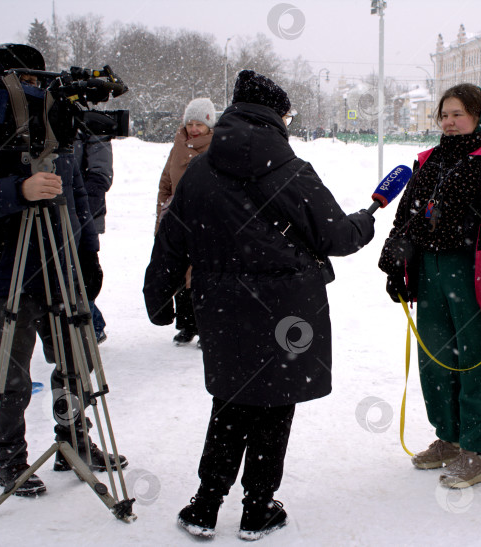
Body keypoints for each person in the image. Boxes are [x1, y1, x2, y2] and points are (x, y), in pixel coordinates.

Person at [144, 69, 375, 540]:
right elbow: (336, 237)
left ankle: (205, 505)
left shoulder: (201, 171)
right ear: (275, 116)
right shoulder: (292, 171)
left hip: (222, 309)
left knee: (230, 402)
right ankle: (258, 508)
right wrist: (365, 223)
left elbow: (171, 241)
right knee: (273, 407)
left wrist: (158, 297)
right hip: (288, 313)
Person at [0, 43, 127, 497]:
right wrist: (18, 189)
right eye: (23, 82)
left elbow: (77, 196)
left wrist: (87, 259)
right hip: (4, 271)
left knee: (73, 362)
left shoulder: (55, 126)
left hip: (58, 265)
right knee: (11, 377)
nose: (31, 92)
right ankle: (11, 462)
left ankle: (75, 440)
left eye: (37, 82)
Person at [378, 83, 481, 489]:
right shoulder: (428, 162)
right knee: (434, 358)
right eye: (444, 115)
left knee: (475, 362)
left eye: (458, 114)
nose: (449, 122)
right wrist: (396, 262)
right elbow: (406, 219)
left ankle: (475, 451)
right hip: (430, 275)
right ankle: (448, 438)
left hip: (477, 277)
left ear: (478, 117)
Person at [154, 97, 217, 346]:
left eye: (199, 124)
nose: (193, 128)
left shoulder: (217, 147)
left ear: (209, 125)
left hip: (205, 221)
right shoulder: (178, 145)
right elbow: (166, 181)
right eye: (190, 123)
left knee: (202, 275)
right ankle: (187, 325)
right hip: (178, 219)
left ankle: (206, 327)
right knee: (180, 273)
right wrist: (162, 212)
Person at [74, 130, 114, 344]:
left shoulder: (93, 127)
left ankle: (93, 324)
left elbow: (100, 176)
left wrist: (78, 209)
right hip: (58, 213)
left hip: (84, 217)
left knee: (80, 274)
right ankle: (92, 323)